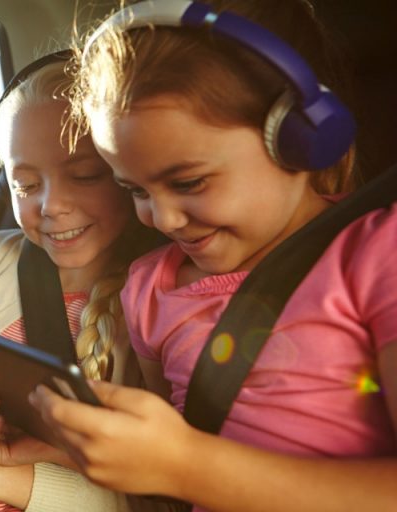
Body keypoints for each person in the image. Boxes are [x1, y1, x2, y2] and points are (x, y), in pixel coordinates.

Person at [29, 1, 397, 511]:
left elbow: (179, 460)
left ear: (301, 139)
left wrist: (188, 467)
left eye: (189, 182)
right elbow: (160, 451)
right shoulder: (149, 288)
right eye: (134, 189)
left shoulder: (378, 255)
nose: (162, 219)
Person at [0, 51, 157, 512]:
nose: (51, 205)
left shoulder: (157, 294)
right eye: (26, 185)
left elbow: (152, 498)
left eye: (84, 175)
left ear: (128, 172)